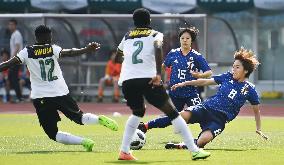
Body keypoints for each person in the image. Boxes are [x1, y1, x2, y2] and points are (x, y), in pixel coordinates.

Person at [0, 25, 118, 151]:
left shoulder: (26, 52)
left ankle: (84, 142)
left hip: (41, 97)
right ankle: (99, 119)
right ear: (43, 37)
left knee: (52, 133)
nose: (51, 38)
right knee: (80, 117)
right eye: (49, 36)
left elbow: (7, 64)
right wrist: (86, 49)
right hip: (60, 92)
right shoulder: (52, 49)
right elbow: (69, 53)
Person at [115, 8, 210, 161]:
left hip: (127, 80)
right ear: (149, 21)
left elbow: (116, 57)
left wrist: (131, 64)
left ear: (134, 22)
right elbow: (158, 48)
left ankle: (124, 151)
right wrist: (158, 74)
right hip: (148, 79)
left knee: (137, 112)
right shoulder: (155, 34)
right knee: (173, 113)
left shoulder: (127, 36)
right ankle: (194, 151)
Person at [138, 47, 267, 149]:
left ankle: (184, 145)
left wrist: (258, 129)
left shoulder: (250, 89)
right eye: (233, 67)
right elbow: (205, 82)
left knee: (203, 141)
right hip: (205, 108)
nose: (233, 69)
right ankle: (146, 126)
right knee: (178, 117)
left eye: (237, 67)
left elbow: (256, 110)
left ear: (245, 70)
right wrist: (185, 83)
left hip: (219, 120)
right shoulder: (227, 77)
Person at [8, 19, 24, 102]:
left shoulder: (17, 34)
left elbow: (17, 47)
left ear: (15, 25)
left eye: (12, 24)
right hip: (14, 60)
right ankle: (17, 96)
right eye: (9, 24)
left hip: (16, 60)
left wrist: (12, 59)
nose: (10, 26)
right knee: (11, 78)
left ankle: (19, 97)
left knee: (13, 78)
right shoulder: (13, 34)